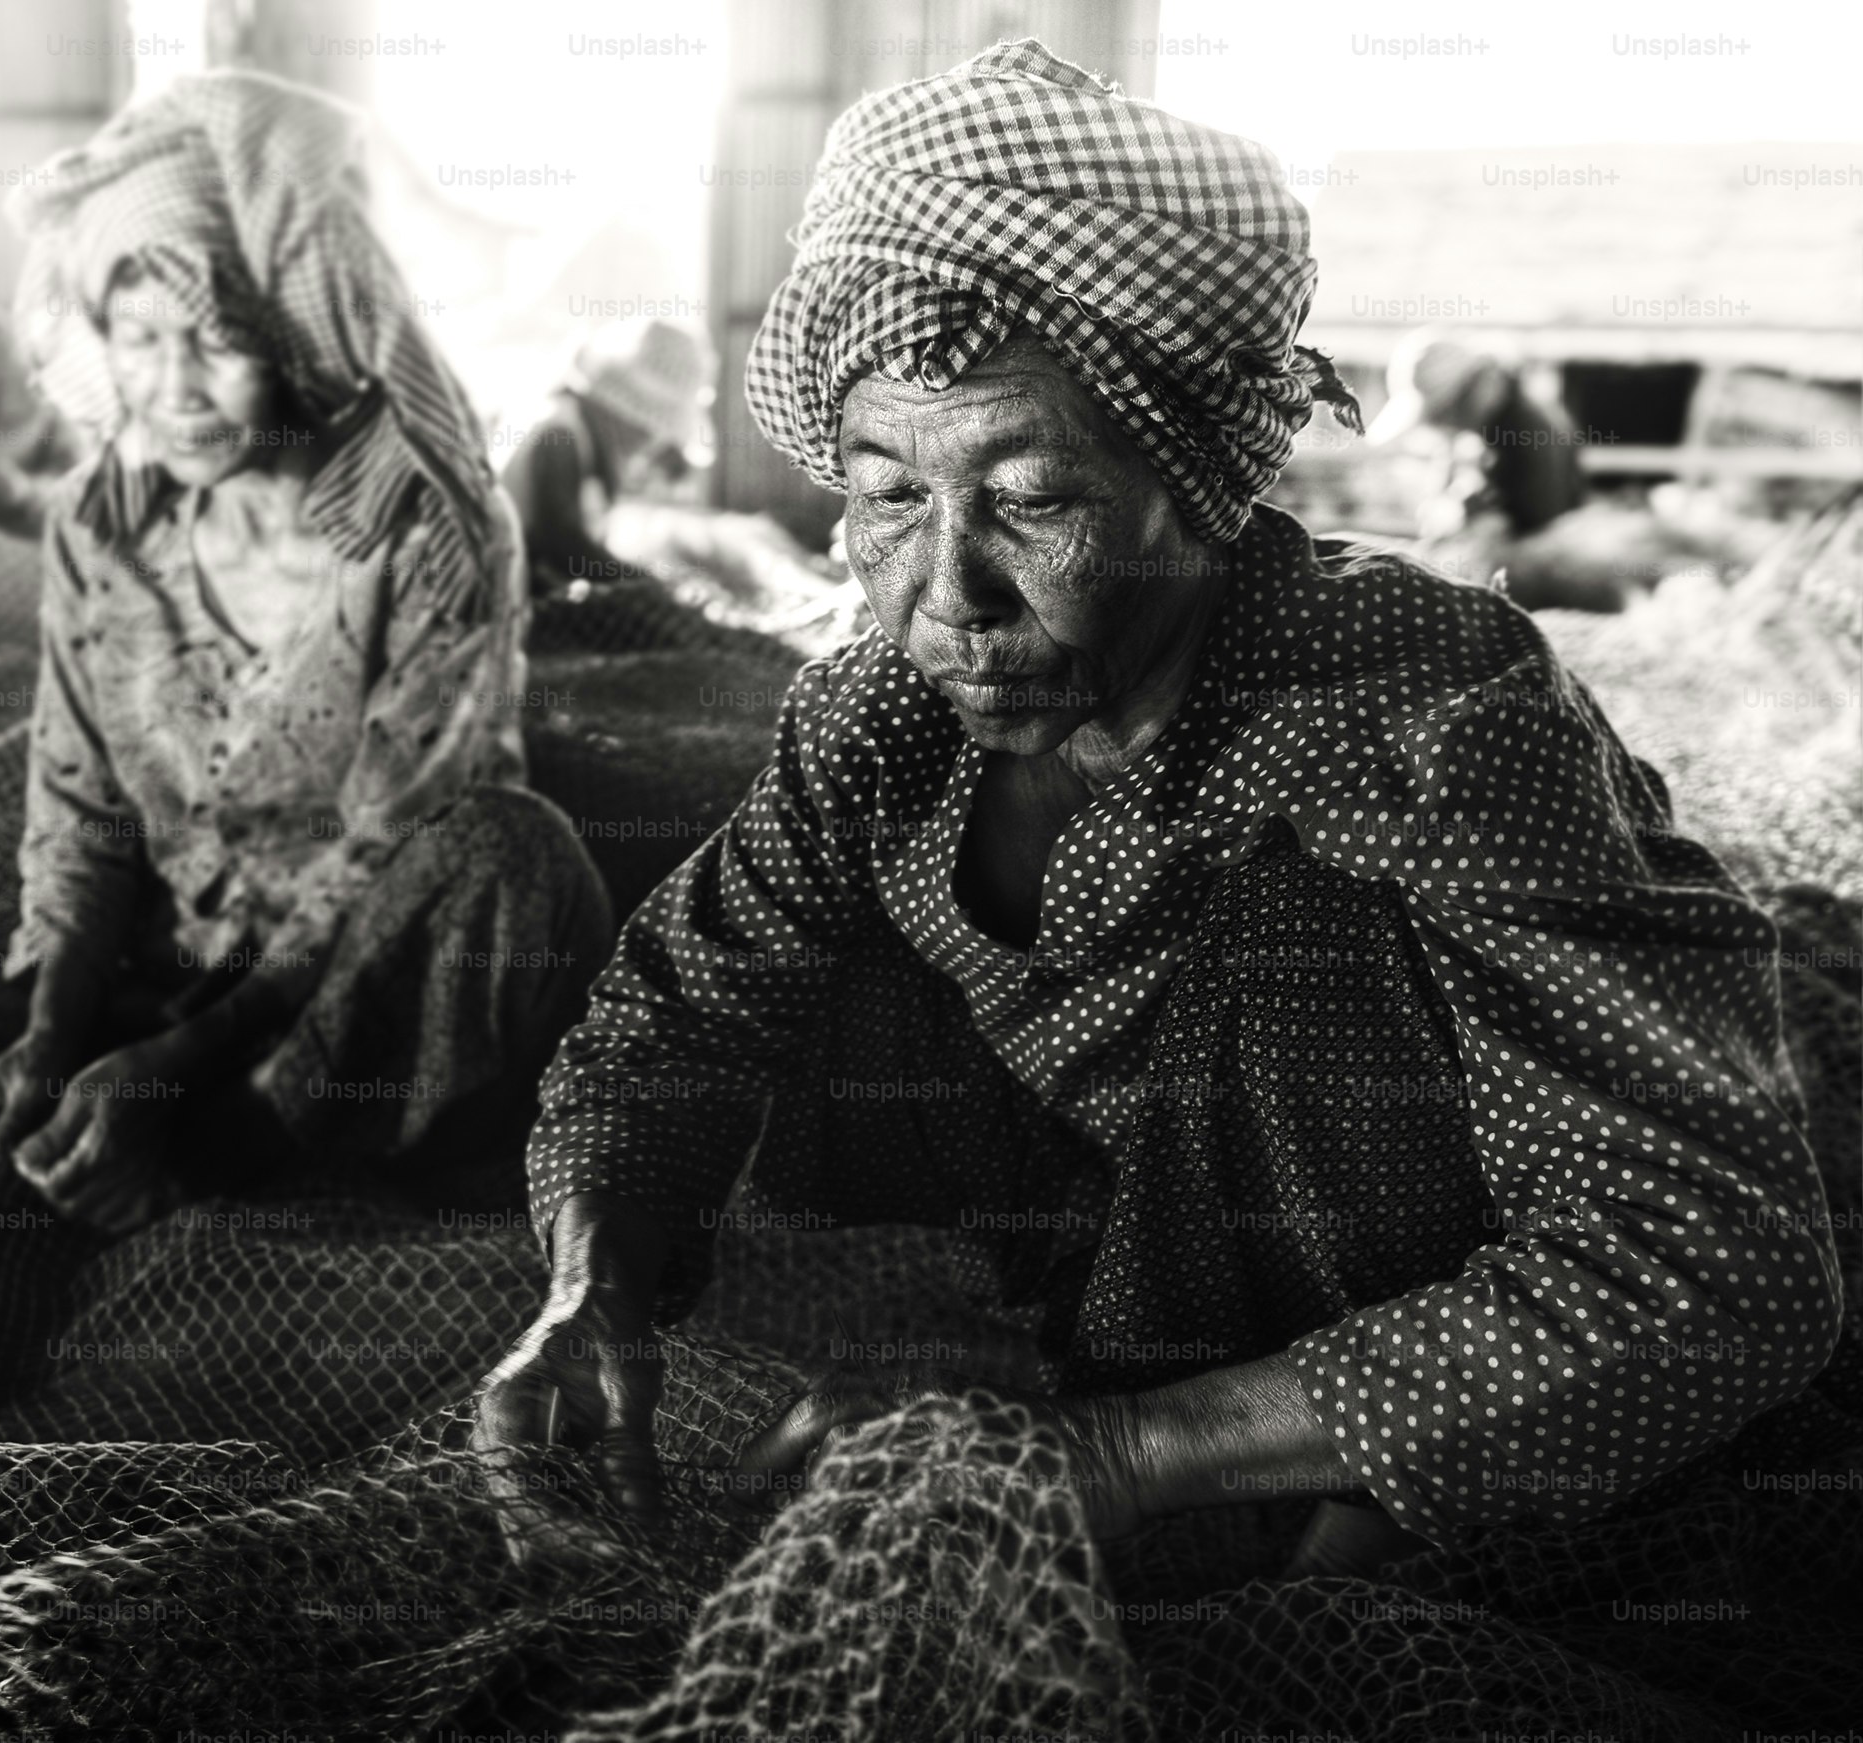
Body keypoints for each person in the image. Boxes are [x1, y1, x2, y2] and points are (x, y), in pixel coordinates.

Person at [474, 41, 1841, 1586]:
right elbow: (672, 1022)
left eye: (1034, 500)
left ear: (1195, 477)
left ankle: (1325, 1479)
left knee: (1284, 917)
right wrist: (590, 1285)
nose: (948, 597)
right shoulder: (877, 716)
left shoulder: (1427, 715)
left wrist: (1126, 1453)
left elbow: (1721, 1260)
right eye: (886, 495)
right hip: (1082, 1260)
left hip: (1411, 1336)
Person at [0, 70, 611, 1320]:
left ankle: (194, 1171)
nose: (175, 384)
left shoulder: (424, 529)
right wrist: (52, 1043)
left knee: (514, 858)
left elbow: (383, 858)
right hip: (158, 987)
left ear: (291, 332)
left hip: (344, 1016)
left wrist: (169, 1077)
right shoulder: (106, 525)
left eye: (218, 339)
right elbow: (81, 818)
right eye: (141, 337)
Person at [500, 319, 716, 596]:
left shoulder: (579, 433)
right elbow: (564, 550)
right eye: (648, 429)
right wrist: (648, 586)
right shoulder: (559, 434)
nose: (647, 442)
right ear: (627, 410)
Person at [1370, 330, 1588, 537]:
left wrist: (1471, 513)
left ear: (1473, 387)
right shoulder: (1497, 427)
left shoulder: (1530, 435)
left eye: (1444, 413)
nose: (1446, 425)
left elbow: (1539, 532)